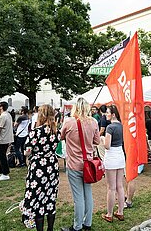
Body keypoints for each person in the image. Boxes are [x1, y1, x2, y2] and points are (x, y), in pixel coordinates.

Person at [60, 98, 100, 231]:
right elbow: (97, 141)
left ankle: (77, 226)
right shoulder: (94, 122)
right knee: (88, 194)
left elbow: (61, 136)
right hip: (88, 165)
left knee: (78, 198)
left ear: (74, 108)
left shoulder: (68, 122)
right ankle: (87, 224)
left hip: (73, 164)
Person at [19, 104, 61, 231]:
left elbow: (27, 151)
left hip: (39, 166)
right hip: (52, 165)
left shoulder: (36, 132)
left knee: (38, 200)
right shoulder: (56, 131)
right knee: (50, 198)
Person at [101, 105, 125, 223]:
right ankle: (120, 212)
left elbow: (107, 145)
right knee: (119, 186)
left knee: (111, 188)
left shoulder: (110, 127)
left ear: (113, 114)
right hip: (120, 155)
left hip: (111, 156)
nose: (106, 114)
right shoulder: (121, 125)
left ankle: (109, 214)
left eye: (108, 112)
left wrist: (101, 139)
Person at [0, 102, 14, 181]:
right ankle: (0, 171)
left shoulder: (3, 116)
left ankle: (5, 173)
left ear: (1, 107)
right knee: (0, 155)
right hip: (7, 138)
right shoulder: (8, 114)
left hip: (2, 139)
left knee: (2, 156)